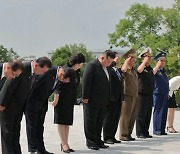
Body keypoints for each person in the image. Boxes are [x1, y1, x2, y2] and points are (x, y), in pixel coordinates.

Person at [0, 57, 52, 154]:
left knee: (16, 134)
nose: (42, 73)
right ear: (36, 65)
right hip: (8, 106)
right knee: (7, 134)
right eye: (42, 71)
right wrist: (2, 103)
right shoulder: (22, 67)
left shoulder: (34, 73)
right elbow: (8, 85)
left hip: (19, 108)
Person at [25, 66, 76, 154]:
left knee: (40, 127)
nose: (62, 82)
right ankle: (32, 148)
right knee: (32, 127)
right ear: (61, 74)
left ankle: (41, 149)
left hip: (42, 104)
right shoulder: (48, 72)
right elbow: (34, 84)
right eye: (64, 80)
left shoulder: (59, 77)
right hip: (32, 103)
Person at [82, 50, 115, 150]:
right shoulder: (92, 65)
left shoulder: (106, 68)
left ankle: (98, 140)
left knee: (99, 121)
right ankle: (90, 141)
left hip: (103, 100)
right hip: (92, 99)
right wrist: (85, 96)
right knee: (90, 121)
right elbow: (86, 81)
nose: (109, 64)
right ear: (102, 58)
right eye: (108, 61)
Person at [52, 53, 85, 153]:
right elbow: (57, 85)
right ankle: (64, 143)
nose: (79, 66)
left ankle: (65, 142)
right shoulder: (64, 70)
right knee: (61, 122)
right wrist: (56, 99)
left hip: (70, 99)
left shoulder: (76, 72)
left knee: (67, 122)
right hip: (62, 100)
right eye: (78, 64)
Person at [103, 52, 123, 144]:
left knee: (115, 118)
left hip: (118, 97)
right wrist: (113, 63)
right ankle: (107, 137)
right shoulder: (109, 69)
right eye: (115, 57)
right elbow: (107, 68)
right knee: (109, 117)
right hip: (111, 97)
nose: (117, 59)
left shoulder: (117, 70)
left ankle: (112, 135)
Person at [119, 48, 138, 141]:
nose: (134, 60)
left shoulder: (133, 70)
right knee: (125, 115)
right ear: (128, 59)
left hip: (134, 95)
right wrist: (126, 61)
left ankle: (129, 133)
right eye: (132, 58)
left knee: (132, 115)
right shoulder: (125, 68)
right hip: (127, 95)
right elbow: (123, 70)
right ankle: (123, 134)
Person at [136, 48, 155, 139]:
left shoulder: (149, 68)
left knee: (148, 114)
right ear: (143, 58)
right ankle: (140, 132)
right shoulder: (140, 66)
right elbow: (139, 70)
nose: (149, 59)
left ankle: (145, 131)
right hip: (141, 93)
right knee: (141, 113)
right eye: (148, 57)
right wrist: (144, 62)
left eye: (150, 57)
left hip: (149, 93)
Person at [153, 52, 169, 135]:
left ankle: (162, 129)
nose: (163, 62)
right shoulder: (156, 70)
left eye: (164, 61)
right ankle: (157, 129)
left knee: (164, 112)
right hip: (158, 93)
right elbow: (152, 73)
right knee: (158, 111)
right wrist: (157, 65)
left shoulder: (164, 71)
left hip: (165, 93)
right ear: (157, 61)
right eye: (161, 61)